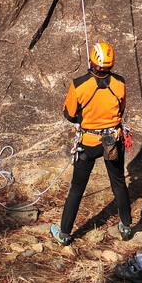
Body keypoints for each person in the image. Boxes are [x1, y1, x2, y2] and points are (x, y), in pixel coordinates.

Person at [50, 41, 133, 246]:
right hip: (112, 141)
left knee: (77, 187)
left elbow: (69, 114)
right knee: (119, 182)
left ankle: (65, 233)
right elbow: (120, 111)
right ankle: (126, 228)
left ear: (91, 60)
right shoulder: (120, 83)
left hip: (88, 142)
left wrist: (82, 117)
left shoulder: (79, 84)